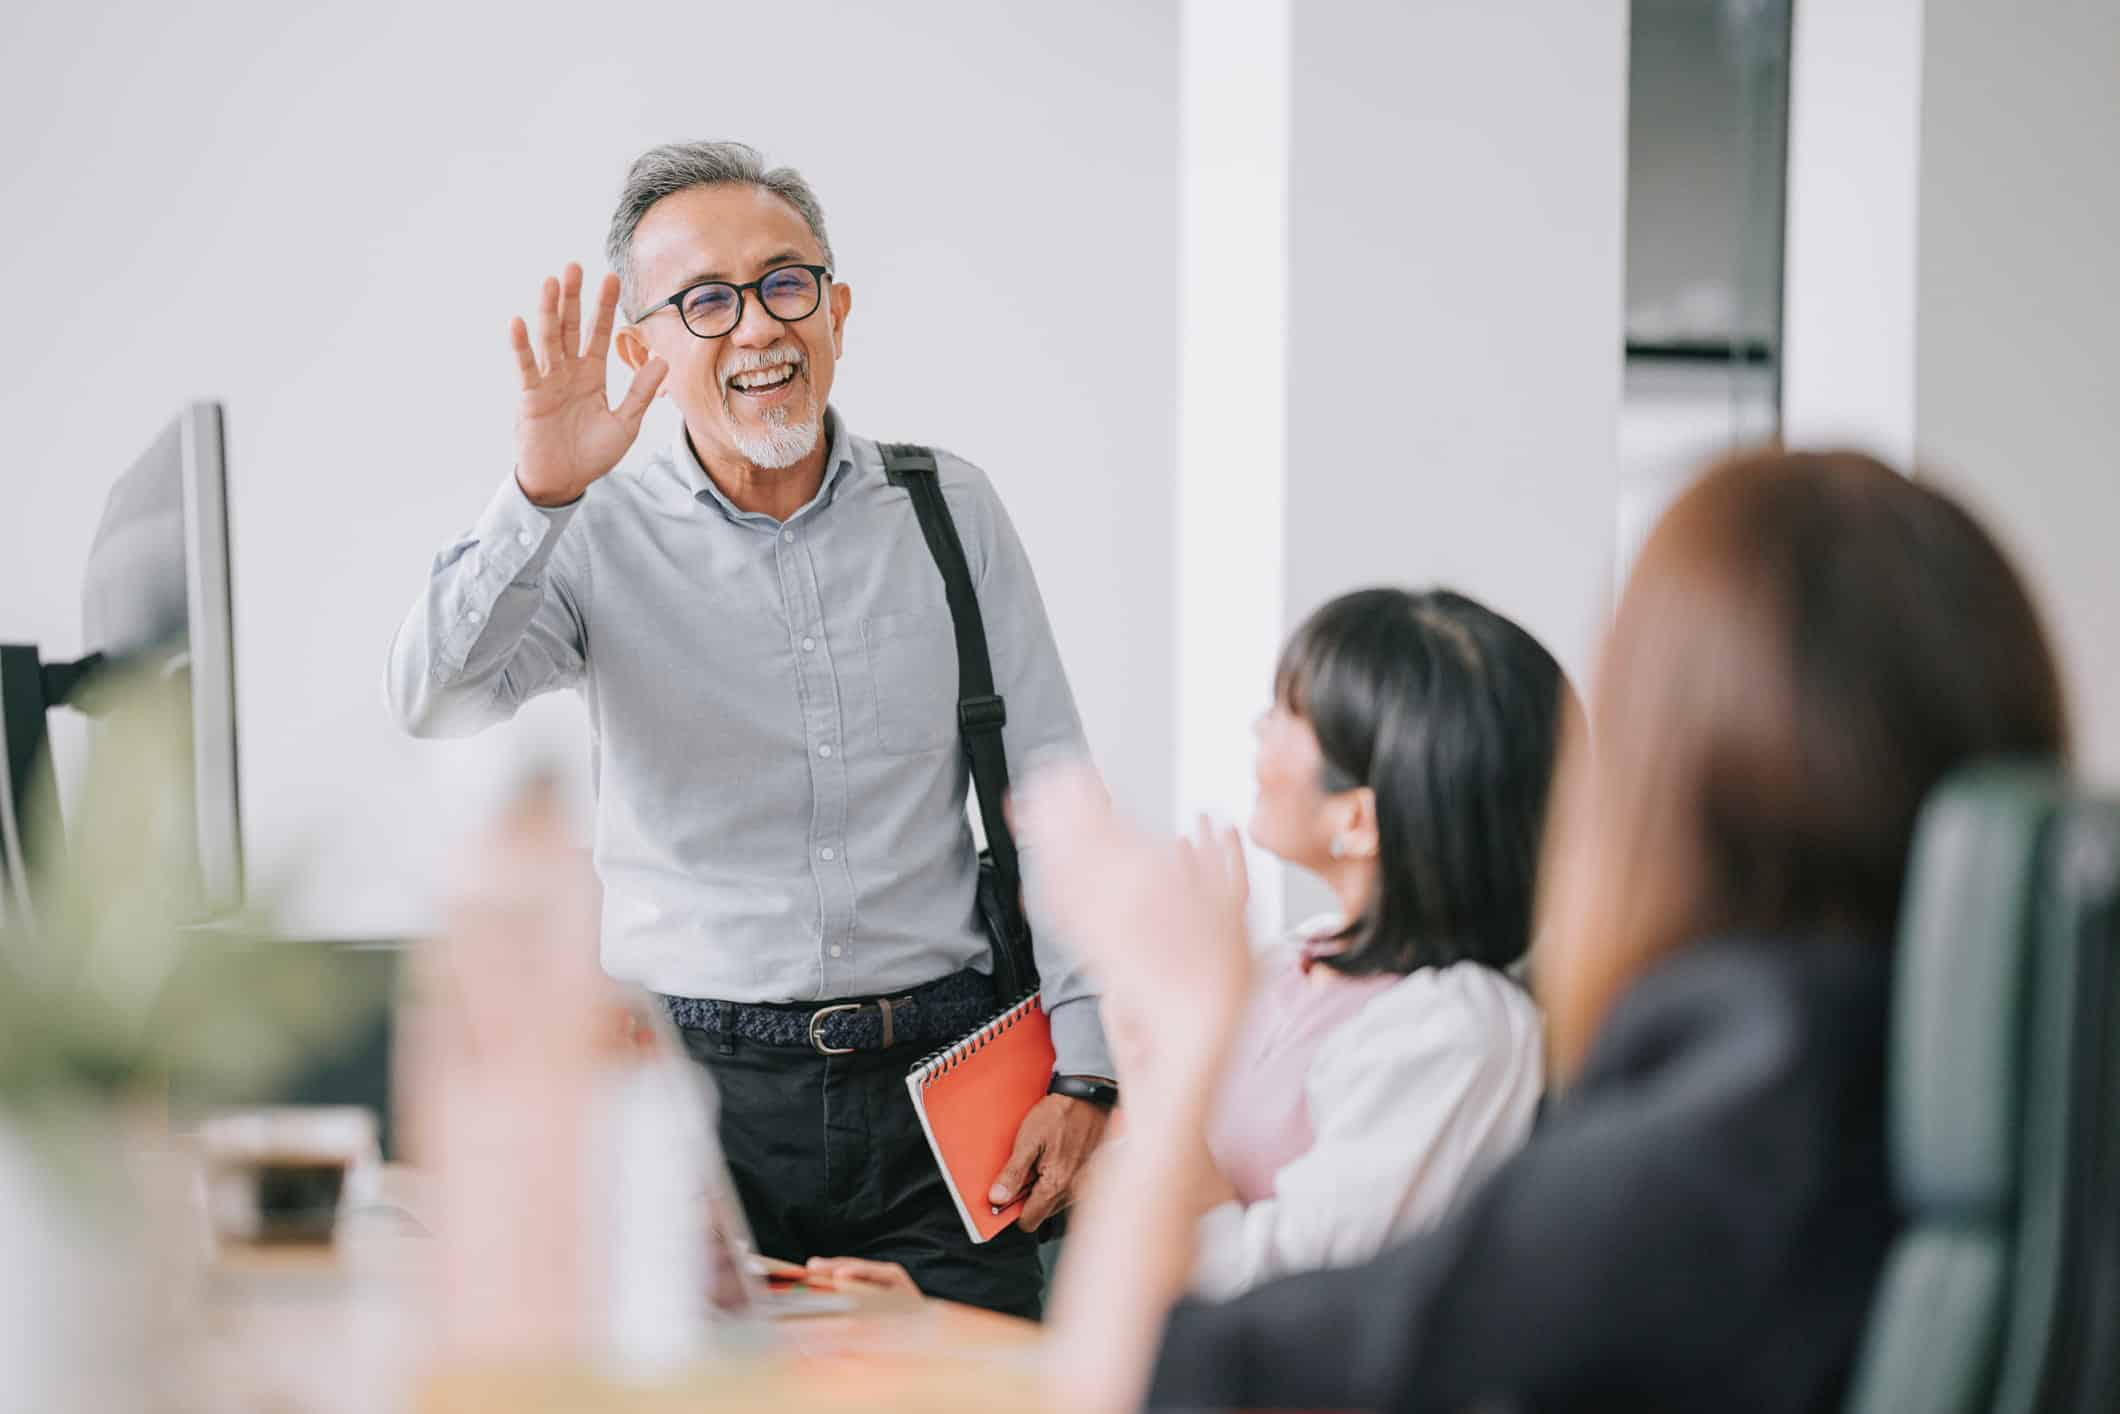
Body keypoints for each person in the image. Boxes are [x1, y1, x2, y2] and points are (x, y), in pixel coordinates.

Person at [1028, 448, 2070, 1411]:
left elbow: (1132, 1379)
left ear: (1661, 775)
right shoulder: (2014, 1095)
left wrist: (1188, 1023)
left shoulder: (1681, 1169)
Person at [385, 141, 1113, 1318]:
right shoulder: (592, 531)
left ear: (837, 307)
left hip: (944, 1092)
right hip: (688, 1100)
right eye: (705, 303)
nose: (759, 329)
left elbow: (1055, 793)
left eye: (787, 283)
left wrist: (1091, 1073)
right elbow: (435, 695)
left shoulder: (946, 508)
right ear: (643, 349)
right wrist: (538, 494)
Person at [812, 586, 1565, 1300]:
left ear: (1360, 820)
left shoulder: (1459, 1032)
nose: (1257, 729)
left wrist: (1179, 1029)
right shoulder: (1294, 961)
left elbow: (1279, 1297)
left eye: (1288, 715)